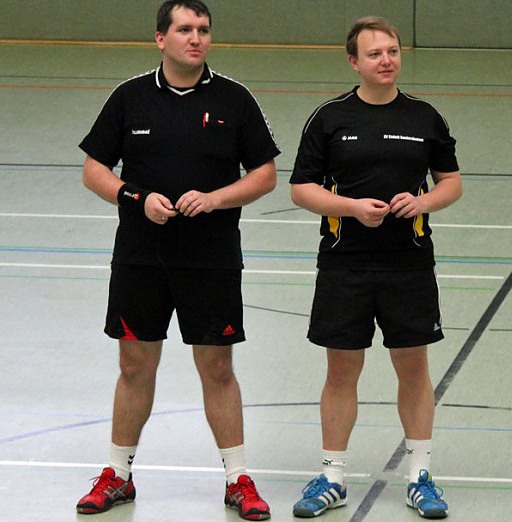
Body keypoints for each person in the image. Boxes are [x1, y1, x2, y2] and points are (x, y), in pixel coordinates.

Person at [74, 1, 279, 520]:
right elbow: (94, 169)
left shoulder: (235, 99)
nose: (196, 38)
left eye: (204, 30)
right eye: (185, 29)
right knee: (134, 362)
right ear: (160, 38)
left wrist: (215, 198)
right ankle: (118, 474)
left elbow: (265, 175)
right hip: (141, 257)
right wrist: (135, 198)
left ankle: (238, 480)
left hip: (210, 258)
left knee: (217, 365)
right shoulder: (130, 97)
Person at [288, 16, 462, 520]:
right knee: (342, 371)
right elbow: (302, 189)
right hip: (344, 267)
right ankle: (332, 477)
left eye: (392, 51)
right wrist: (351, 208)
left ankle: (419, 476)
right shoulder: (329, 118)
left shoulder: (425, 117)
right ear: (354, 62)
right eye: (374, 54)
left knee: (414, 369)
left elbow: (451, 183)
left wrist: (424, 200)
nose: (386, 60)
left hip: (409, 265)